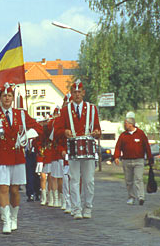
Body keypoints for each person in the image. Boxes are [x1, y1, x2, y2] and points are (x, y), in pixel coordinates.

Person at [0, 83, 43, 234]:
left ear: (12, 98)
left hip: (16, 157)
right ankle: (6, 220)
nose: (7, 98)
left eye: (9, 96)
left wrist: (26, 136)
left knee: (14, 190)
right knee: (3, 188)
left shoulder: (21, 114)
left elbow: (39, 128)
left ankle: (14, 217)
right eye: (4, 96)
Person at [55, 79, 101, 220]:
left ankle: (88, 207)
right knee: (74, 180)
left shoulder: (92, 109)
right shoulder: (65, 110)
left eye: (79, 92)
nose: (77, 95)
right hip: (73, 149)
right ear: (71, 93)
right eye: (74, 92)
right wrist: (65, 132)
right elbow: (57, 131)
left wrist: (96, 132)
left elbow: (98, 129)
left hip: (88, 149)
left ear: (83, 93)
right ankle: (76, 209)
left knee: (89, 180)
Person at [113, 112, 153, 206]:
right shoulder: (123, 135)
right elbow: (118, 147)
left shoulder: (140, 133)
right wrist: (116, 156)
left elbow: (146, 146)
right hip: (126, 161)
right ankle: (131, 197)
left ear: (131, 124)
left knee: (138, 179)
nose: (124, 125)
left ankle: (141, 197)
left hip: (138, 160)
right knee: (129, 180)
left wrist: (150, 158)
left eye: (125, 123)